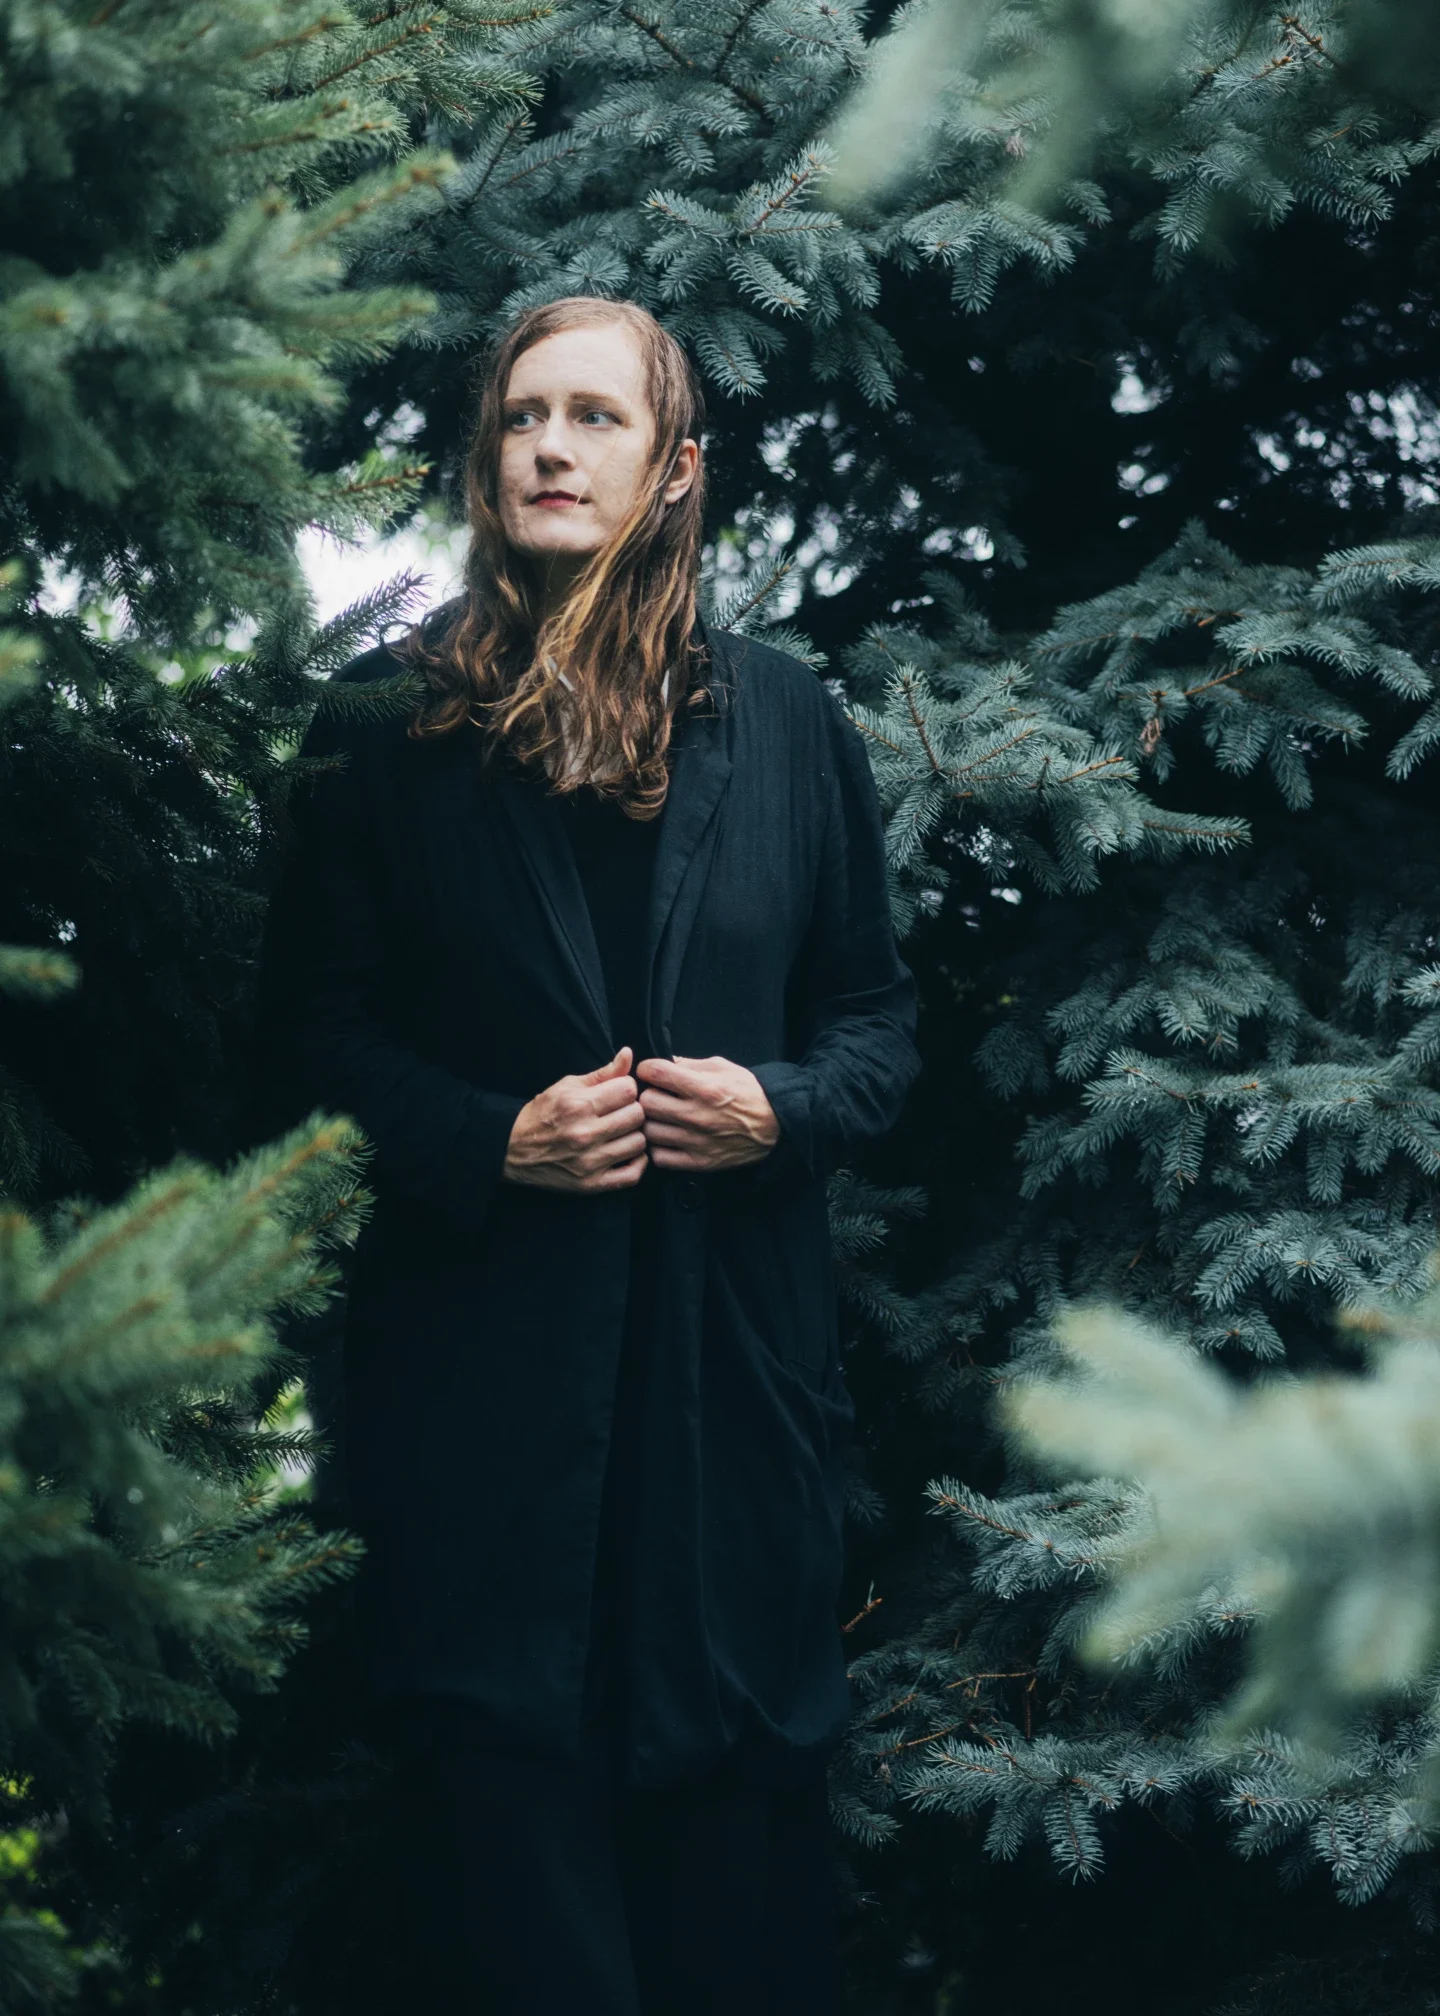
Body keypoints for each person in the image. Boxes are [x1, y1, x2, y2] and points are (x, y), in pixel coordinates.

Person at [255, 295, 920, 2012]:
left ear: (676, 467)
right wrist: (494, 1141)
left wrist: (782, 1111)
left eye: (595, 418)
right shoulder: (376, 737)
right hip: (481, 1416)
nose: (549, 446)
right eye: (521, 418)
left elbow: (875, 1022)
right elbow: (299, 1050)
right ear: (487, 464)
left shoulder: (787, 725)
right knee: (513, 1909)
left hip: (732, 1414)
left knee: (739, 1922)